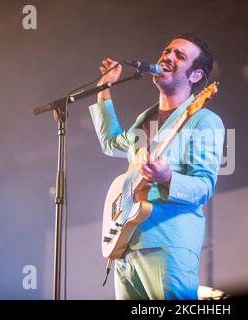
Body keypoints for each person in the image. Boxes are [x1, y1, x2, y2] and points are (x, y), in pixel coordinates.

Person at [88, 34, 225, 300]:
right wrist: (104, 88)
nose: (168, 56)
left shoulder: (204, 120)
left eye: (180, 56)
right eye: (167, 50)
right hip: (126, 244)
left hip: (168, 243)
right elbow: (110, 142)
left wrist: (167, 177)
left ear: (196, 77)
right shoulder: (145, 119)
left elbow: (204, 187)